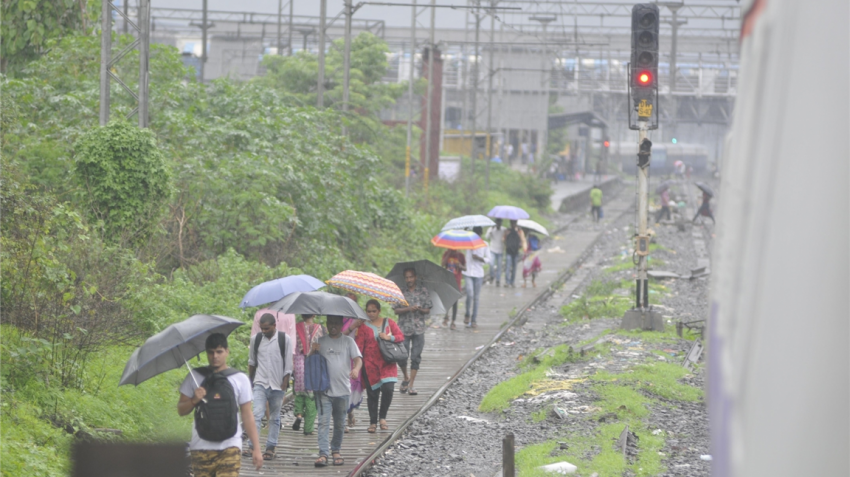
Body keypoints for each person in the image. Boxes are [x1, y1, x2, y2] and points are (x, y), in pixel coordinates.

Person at [178, 333, 263, 476]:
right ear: (206, 353)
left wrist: (257, 448)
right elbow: (181, 410)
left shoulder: (240, 378)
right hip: (201, 447)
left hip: (230, 446)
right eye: (211, 352)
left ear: (227, 352)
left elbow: (247, 414)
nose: (215, 356)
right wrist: (194, 400)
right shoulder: (195, 376)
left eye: (219, 352)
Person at [310, 315, 363, 467]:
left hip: (343, 390)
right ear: (327, 324)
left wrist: (356, 369)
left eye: (336, 323)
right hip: (323, 390)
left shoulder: (348, 341)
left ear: (341, 324)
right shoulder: (320, 341)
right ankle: (323, 453)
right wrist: (312, 351)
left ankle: (336, 450)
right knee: (323, 422)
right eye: (330, 323)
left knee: (340, 424)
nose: (333, 326)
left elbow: (358, 358)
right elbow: (310, 361)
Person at [246, 314, 293, 460]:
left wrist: (285, 383)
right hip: (260, 382)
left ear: (274, 326)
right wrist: (250, 381)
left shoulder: (284, 339)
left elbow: (288, 363)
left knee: (274, 417)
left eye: (267, 328)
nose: (264, 331)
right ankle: (253, 446)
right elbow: (252, 362)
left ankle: (271, 447)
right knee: (257, 414)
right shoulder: (256, 339)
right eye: (262, 328)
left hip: (277, 384)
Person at [355, 300, 404, 433]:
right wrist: (357, 364)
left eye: (374, 311)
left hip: (388, 362)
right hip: (370, 365)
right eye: (369, 311)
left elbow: (400, 337)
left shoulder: (389, 322)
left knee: (388, 389)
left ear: (379, 311)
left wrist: (389, 338)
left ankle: (382, 417)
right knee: (372, 394)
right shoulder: (363, 327)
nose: (371, 314)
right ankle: (373, 422)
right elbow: (359, 347)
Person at [392, 268, 432, 396]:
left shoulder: (423, 290)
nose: (409, 280)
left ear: (415, 277)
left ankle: (411, 384)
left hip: (419, 328)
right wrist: (409, 308)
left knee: (416, 357)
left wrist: (419, 309)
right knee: (402, 356)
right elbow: (396, 310)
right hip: (404, 328)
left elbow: (428, 309)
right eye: (407, 277)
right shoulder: (400, 292)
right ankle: (405, 376)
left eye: (411, 277)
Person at [292, 314, 323, 435]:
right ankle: (308, 429)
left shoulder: (296, 328)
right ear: (314, 314)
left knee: (299, 394)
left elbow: (293, 348)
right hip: (312, 365)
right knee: (311, 399)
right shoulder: (319, 329)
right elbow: (320, 348)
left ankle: (299, 414)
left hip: (299, 363)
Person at [341, 293, 364, 432]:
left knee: (352, 385)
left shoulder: (360, 317)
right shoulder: (338, 317)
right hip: (341, 355)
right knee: (342, 386)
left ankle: (349, 411)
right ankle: (342, 419)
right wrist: (352, 326)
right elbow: (338, 334)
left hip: (355, 356)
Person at [463, 226, 491, 328]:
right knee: (469, 293)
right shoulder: (468, 243)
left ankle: (474, 319)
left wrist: (479, 258)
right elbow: (462, 238)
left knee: (476, 298)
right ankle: (467, 313)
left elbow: (489, 259)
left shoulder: (485, 244)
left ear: (481, 234)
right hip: (468, 272)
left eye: (478, 234)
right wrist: (465, 230)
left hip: (479, 273)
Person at [440, 248, 466, 329]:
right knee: (447, 300)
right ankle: (446, 316)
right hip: (447, 280)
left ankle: (453, 321)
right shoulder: (446, 253)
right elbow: (442, 264)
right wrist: (448, 254)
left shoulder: (461, 256)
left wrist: (460, 266)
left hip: (456, 281)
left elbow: (465, 268)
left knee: (455, 301)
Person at [503, 220, 526, 288]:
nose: (513, 224)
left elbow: (503, 240)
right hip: (511, 251)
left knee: (511, 267)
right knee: (511, 267)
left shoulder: (511, 231)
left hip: (513, 252)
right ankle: (509, 282)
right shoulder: (518, 231)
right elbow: (523, 240)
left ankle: (510, 282)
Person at [486, 219, 505, 287]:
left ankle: (498, 280)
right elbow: (487, 237)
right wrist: (491, 229)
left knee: (499, 267)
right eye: (497, 223)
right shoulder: (491, 229)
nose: (498, 224)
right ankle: (491, 276)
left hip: (500, 250)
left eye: (499, 223)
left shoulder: (503, 230)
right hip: (493, 249)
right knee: (491, 264)